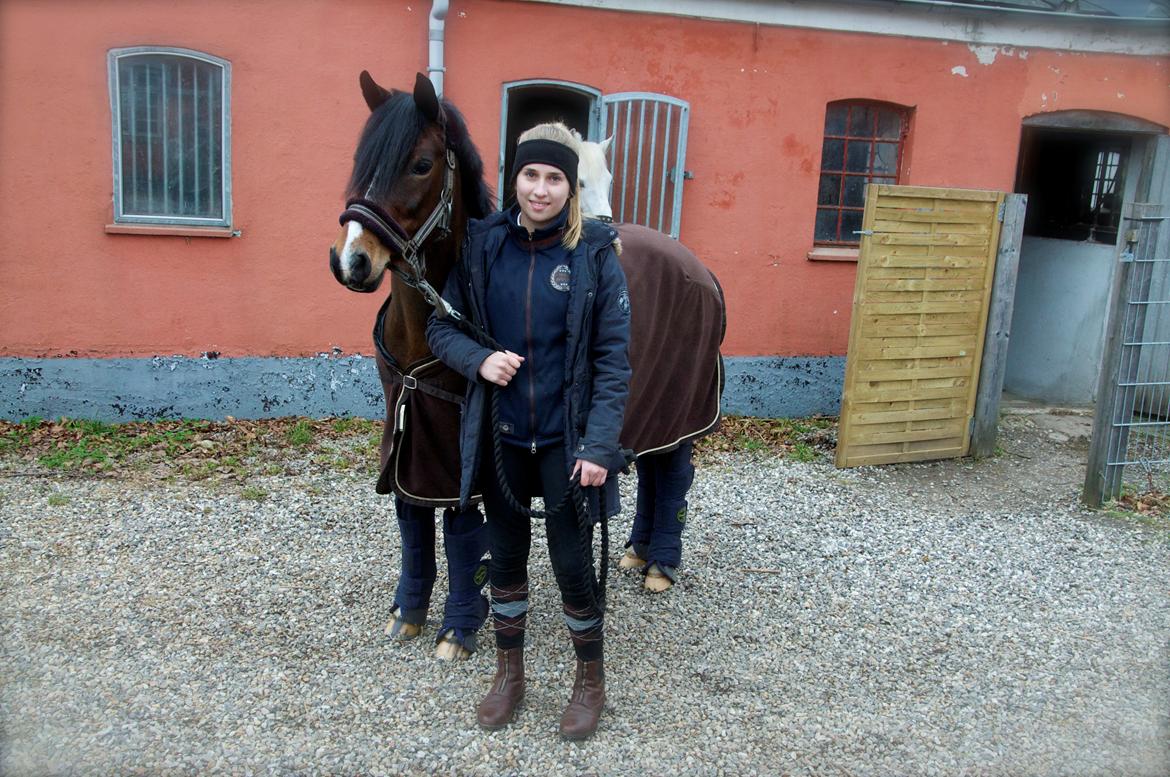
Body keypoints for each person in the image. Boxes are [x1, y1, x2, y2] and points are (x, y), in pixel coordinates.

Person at [426, 121, 631, 740]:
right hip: (503, 438)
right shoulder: (483, 246)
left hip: (567, 445)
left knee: (573, 567)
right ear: (514, 179)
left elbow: (613, 361)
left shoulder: (595, 254)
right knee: (508, 561)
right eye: (530, 176)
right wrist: (478, 360)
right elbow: (442, 326)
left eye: (554, 178)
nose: (540, 190)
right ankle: (509, 675)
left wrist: (599, 446)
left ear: (571, 188)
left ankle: (589, 680)